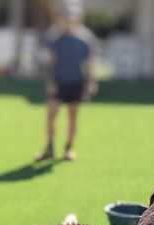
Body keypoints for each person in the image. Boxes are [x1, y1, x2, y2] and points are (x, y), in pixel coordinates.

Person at [36, 3, 97, 162]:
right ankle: (49, 148)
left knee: (72, 116)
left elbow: (90, 62)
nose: (69, 20)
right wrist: (50, 82)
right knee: (51, 115)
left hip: (76, 82)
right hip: (58, 82)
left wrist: (91, 81)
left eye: (72, 16)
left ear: (78, 18)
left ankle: (69, 148)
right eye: (66, 16)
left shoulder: (86, 38)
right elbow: (49, 63)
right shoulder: (54, 37)